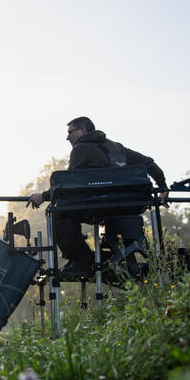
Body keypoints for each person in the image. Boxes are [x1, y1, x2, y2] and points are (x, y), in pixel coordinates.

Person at [26, 116, 169, 276]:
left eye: (70, 132)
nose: (67, 137)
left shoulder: (81, 148)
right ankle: (107, 255)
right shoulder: (116, 148)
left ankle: (82, 261)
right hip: (127, 206)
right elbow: (149, 163)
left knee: (60, 212)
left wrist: (43, 196)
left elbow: (67, 186)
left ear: (83, 130)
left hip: (99, 206)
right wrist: (163, 187)